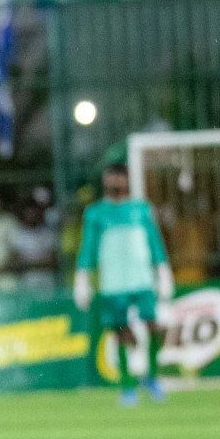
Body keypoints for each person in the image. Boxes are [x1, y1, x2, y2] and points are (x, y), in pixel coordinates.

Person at [74, 163, 174, 405]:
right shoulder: (95, 213)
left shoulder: (141, 209)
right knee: (120, 333)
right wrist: (82, 277)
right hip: (113, 282)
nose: (115, 183)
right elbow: (88, 247)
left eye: (119, 179)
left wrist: (163, 270)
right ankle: (128, 385)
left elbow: (154, 241)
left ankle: (152, 377)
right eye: (111, 179)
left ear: (127, 180)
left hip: (141, 279)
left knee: (153, 326)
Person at [10, 201, 58, 293]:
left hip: (47, 281)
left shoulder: (47, 233)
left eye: (33, 211)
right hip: (26, 282)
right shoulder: (17, 234)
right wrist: (40, 260)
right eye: (28, 211)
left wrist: (28, 260)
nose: (31, 214)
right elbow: (16, 260)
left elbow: (52, 259)